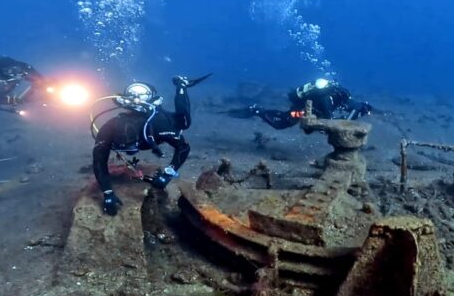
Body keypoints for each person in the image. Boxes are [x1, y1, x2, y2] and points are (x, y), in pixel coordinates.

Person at [92, 74, 211, 216]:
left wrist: (168, 173)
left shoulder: (160, 124)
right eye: (123, 144)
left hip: (159, 125)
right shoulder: (108, 128)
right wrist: (107, 192)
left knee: (184, 122)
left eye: (131, 143)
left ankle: (181, 86)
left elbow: (183, 147)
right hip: (145, 132)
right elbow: (99, 161)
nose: (129, 148)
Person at [229, 78, 372, 130]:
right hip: (303, 109)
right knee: (282, 123)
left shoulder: (337, 98)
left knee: (287, 119)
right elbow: (328, 121)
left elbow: (353, 106)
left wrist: (361, 109)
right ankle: (257, 110)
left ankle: (257, 110)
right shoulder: (328, 100)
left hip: (308, 107)